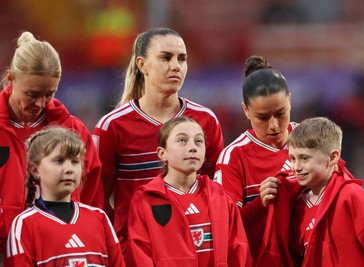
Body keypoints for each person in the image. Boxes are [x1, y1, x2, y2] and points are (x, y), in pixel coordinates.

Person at [92, 27, 224, 251]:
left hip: (195, 250)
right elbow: (97, 201)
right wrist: (124, 240)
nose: (176, 66)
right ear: (142, 65)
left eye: (182, 59)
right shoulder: (112, 126)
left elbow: (217, 194)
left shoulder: (205, 121)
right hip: (136, 253)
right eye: (165, 58)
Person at [0, 31, 103, 261]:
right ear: (10, 79)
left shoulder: (72, 131)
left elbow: (92, 199)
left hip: (60, 253)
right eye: (31, 94)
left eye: (50, 94)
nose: (40, 103)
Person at [126, 117, 251, 266]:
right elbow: (140, 257)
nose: (193, 147)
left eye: (198, 141)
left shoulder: (221, 197)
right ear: (162, 153)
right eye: (182, 141)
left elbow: (239, 252)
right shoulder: (145, 200)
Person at [214, 55, 298, 266]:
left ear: (290, 99)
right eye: (262, 117)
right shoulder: (233, 157)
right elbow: (225, 226)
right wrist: (260, 203)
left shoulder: (310, 138)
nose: (274, 126)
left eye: (281, 113)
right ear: (246, 110)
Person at [288, 117, 364, 266]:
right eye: (293, 158)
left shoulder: (353, 196)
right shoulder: (296, 207)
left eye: (305, 158)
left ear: (333, 157)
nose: (297, 166)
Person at [5, 127, 125, 266]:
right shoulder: (24, 225)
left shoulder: (99, 218)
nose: (69, 169)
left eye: (75, 162)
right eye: (59, 161)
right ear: (35, 170)